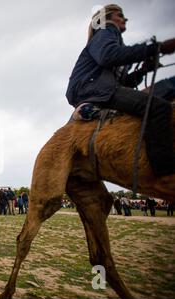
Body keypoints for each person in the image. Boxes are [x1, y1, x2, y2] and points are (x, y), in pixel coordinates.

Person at [66, 4, 175, 178]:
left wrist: (142, 71)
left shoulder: (113, 41)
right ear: (107, 18)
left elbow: (123, 82)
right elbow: (107, 56)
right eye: (120, 15)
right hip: (94, 91)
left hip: (102, 90)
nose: (125, 19)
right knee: (159, 108)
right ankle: (165, 173)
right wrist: (156, 48)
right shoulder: (106, 32)